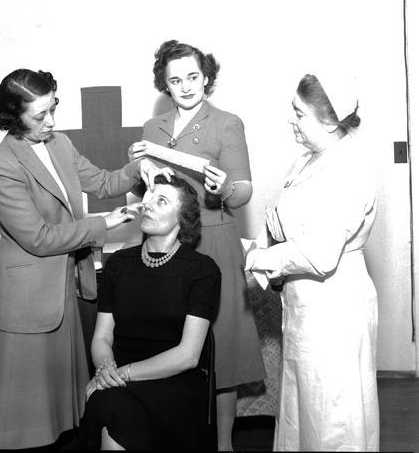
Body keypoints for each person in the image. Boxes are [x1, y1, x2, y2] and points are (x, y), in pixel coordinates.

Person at [0, 69, 171, 450]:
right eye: (39, 116)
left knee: (60, 420)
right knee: (20, 423)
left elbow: (104, 182)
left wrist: (138, 169)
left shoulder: (58, 145)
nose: (52, 122)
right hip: (26, 296)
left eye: (53, 109)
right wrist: (103, 224)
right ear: (13, 117)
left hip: (61, 288)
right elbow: (39, 238)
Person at [129, 40, 265, 450]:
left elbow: (243, 192)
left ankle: (223, 444)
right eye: (175, 80)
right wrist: (141, 165)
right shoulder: (152, 129)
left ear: (206, 77)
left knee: (219, 345)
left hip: (214, 239)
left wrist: (226, 187)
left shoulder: (227, 123)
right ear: (164, 85)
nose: (186, 86)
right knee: (170, 339)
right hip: (165, 242)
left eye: (193, 76)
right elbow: (143, 184)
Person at [246, 72, 379, 451]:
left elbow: (318, 253)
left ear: (330, 120)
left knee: (332, 418)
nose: (292, 119)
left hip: (334, 308)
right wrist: (256, 248)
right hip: (304, 306)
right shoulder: (307, 161)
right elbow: (279, 221)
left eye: (300, 113)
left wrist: (260, 259)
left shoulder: (349, 169)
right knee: (301, 414)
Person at [82, 174, 221, 450]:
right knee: (112, 406)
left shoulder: (202, 270)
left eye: (162, 200)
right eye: (148, 197)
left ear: (182, 217)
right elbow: (102, 338)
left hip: (176, 381)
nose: (148, 204)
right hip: (119, 377)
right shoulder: (118, 264)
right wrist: (106, 369)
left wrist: (123, 375)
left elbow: (189, 355)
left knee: (111, 406)